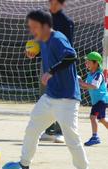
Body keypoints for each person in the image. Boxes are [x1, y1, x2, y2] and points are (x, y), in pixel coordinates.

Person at [22, 10, 90, 169]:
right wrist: (35, 55)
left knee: (71, 138)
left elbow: (70, 56)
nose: (31, 29)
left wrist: (51, 72)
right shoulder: (43, 41)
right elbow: (51, 55)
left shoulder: (58, 38)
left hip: (67, 99)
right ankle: (24, 165)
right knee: (32, 128)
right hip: (50, 97)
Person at [40, 0, 75, 143]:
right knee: (47, 97)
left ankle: (61, 132)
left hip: (61, 67)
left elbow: (69, 51)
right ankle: (49, 130)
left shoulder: (66, 22)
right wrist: (35, 53)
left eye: (55, 2)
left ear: (62, 4)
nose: (52, 5)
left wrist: (55, 69)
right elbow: (43, 43)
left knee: (61, 99)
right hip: (47, 65)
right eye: (50, 2)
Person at [79, 52, 108, 146]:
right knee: (102, 119)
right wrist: (79, 83)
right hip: (98, 101)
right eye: (86, 61)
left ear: (96, 63)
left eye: (89, 61)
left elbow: (94, 86)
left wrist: (81, 82)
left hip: (101, 100)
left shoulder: (98, 75)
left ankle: (95, 137)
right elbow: (87, 86)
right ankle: (95, 137)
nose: (86, 63)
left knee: (92, 117)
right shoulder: (90, 74)